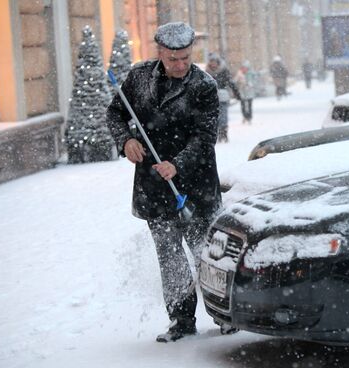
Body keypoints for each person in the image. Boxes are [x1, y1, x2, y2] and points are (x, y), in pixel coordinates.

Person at [106, 22, 224, 343]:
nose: (180, 65)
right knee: (170, 258)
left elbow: (205, 137)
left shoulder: (203, 86)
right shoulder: (139, 78)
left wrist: (178, 163)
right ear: (160, 52)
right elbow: (116, 113)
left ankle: (224, 315)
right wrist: (126, 140)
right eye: (173, 59)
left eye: (185, 58)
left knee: (206, 256)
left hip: (196, 187)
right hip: (154, 188)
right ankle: (181, 320)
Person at [205, 53, 241, 142]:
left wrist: (237, 93)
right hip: (211, 98)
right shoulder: (207, 72)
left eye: (214, 62)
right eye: (211, 62)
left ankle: (224, 133)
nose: (213, 64)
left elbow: (230, 82)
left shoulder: (224, 71)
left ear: (218, 62)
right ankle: (217, 134)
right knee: (214, 118)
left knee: (223, 116)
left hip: (223, 97)